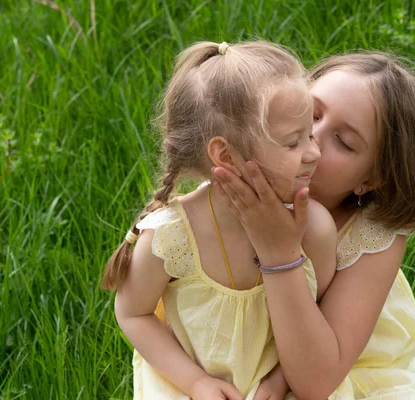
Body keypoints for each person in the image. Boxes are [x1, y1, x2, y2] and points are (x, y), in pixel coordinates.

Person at [101, 41, 337, 400]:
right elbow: (133, 314)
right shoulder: (173, 237)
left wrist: (279, 380)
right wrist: (195, 383)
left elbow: (317, 316)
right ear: (226, 155)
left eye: (310, 133)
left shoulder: (315, 228)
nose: (314, 152)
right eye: (293, 143)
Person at [213, 52, 415, 400]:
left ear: (369, 180)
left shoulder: (371, 237)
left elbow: (315, 383)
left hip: (329, 358)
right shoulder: (244, 173)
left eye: (344, 142)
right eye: (311, 114)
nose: (311, 140)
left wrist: (278, 254)